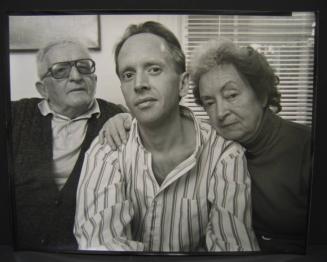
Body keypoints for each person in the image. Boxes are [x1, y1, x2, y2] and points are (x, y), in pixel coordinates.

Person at [103, 38, 312, 253]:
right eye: (209, 102)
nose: (220, 113)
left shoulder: (308, 149)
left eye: (231, 95)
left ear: (261, 94)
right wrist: (125, 119)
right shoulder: (221, 150)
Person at [74, 21, 259, 252]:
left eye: (154, 69)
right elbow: (100, 246)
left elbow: (232, 249)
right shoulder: (106, 152)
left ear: (182, 84)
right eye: (128, 74)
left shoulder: (225, 155)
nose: (139, 84)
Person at [11, 39, 123, 250]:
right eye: (61, 70)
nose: (76, 76)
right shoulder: (14, 115)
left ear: (94, 79)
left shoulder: (116, 117)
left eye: (84, 67)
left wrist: (124, 118)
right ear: (43, 89)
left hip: (83, 252)